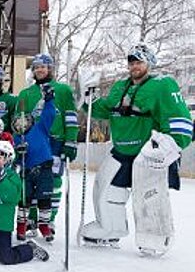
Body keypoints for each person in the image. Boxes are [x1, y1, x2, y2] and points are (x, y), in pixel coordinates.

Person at [79, 44, 192, 255]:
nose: (135, 66)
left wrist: (174, 143)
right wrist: (88, 99)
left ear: (149, 63)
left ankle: (155, 238)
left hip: (147, 155)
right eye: (132, 62)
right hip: (121, 150)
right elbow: (103, 109)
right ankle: (110, 228)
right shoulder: (120, 86)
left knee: (149, 197)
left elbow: (179, 115)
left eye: (139, 61)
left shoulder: (163, 84)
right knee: (105, 189)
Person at [16, 54, 79, 232]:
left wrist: (71, 141)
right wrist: (20, 141)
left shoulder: (63, 90)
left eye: (43, 67)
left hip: (55, 142)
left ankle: (48, 220)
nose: (39, 70)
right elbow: (20, 121)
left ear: (50, 68)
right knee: (31, 181)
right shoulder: (26, 93)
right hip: (34, 144)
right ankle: (32, 220)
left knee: (52, 182)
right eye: (36, 67)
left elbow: (70, 116)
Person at [0, 141, 49, 264]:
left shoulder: (12, 176)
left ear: (8, 160)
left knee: (6, 258)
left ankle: (30, 249)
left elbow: (11, 197)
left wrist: (0, 180)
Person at [13, 84, 56, 241]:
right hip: (27, 171)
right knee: (24, 199)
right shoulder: (17, 138)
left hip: (44, 169)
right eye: (18, 123)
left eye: (24, 121)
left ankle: (44, 225)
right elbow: (13, 158)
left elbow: (49, 115)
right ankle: (21, 227)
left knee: (45, 198)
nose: (22, 125)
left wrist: (49, 100)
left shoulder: (40, 128)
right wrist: (19, 153)